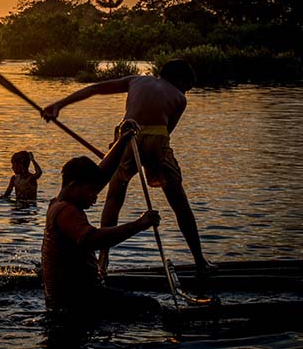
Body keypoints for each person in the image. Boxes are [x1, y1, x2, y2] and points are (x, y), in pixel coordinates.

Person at [41, 59, 215, 276]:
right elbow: (165, 132)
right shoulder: (180, 98)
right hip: (155, 138)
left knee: (114, 198)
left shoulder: (136, 80)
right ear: (180, 80)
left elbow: (95, 89)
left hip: (126, 135)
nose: (186, 91)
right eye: (187, 86)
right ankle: (200, 261)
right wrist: (149, 162)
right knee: (179, 202)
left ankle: (103, 262)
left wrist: (58, 105)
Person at [42, 120, 161, 317]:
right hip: (77, 300)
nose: (95, 197)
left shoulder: (61, 201)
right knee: (151, 307)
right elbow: (93, 239)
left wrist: (123, 140)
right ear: (73, 185)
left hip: (74, 296)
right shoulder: (66, 211)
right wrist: (139, 224)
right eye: (91, 191)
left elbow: (103, 173)